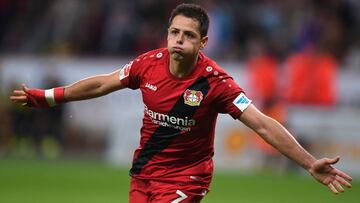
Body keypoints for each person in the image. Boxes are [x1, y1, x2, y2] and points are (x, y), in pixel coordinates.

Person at [10, 3, 352, 203]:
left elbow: (262, 123)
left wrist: (309, 163)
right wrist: (46, 97)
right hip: (143, 175)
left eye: (188, 35)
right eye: (174, 32)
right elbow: (102, 83)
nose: (179, 40)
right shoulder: (148, 64)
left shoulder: (216, 83)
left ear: (202, 42)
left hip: (186, 179)